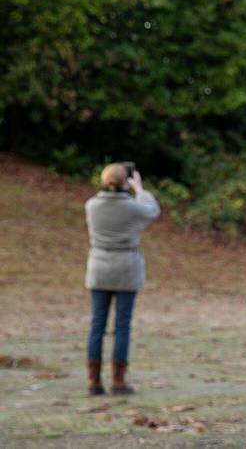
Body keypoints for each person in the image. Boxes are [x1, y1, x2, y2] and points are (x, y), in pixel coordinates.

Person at [84, 162, 160, 395]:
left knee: (97, 325)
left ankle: (93, 381)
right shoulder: (132, 207)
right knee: (122, 327)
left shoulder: (92, 205)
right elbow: (152, 211)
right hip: (126, 267)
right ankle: (118, 380)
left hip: (99, 267)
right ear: (126, 181)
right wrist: (139, 190)